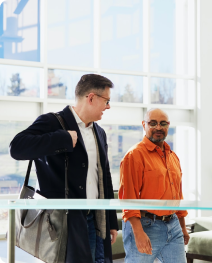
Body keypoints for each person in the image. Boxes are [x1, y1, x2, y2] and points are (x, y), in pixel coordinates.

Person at [10, 74, 118, 263]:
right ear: (91, 98)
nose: (108, 106)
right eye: (106, 101)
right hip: (63, 222)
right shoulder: (52, 122)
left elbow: (104, 177)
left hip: (94, 219)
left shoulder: (99, 132)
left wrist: (110, 222)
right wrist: (62, 138)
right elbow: (17, 148)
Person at [119, 108, 190, 263]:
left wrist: (182, 226)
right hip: (145, 225)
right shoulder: (134, 155)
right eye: (153, 123)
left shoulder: (173, 156)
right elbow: (128, 198)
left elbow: (177, 195)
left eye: (163, 123)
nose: (158, 127)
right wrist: (138, 233)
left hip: (173, 225)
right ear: (144, 125)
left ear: (168, 126)